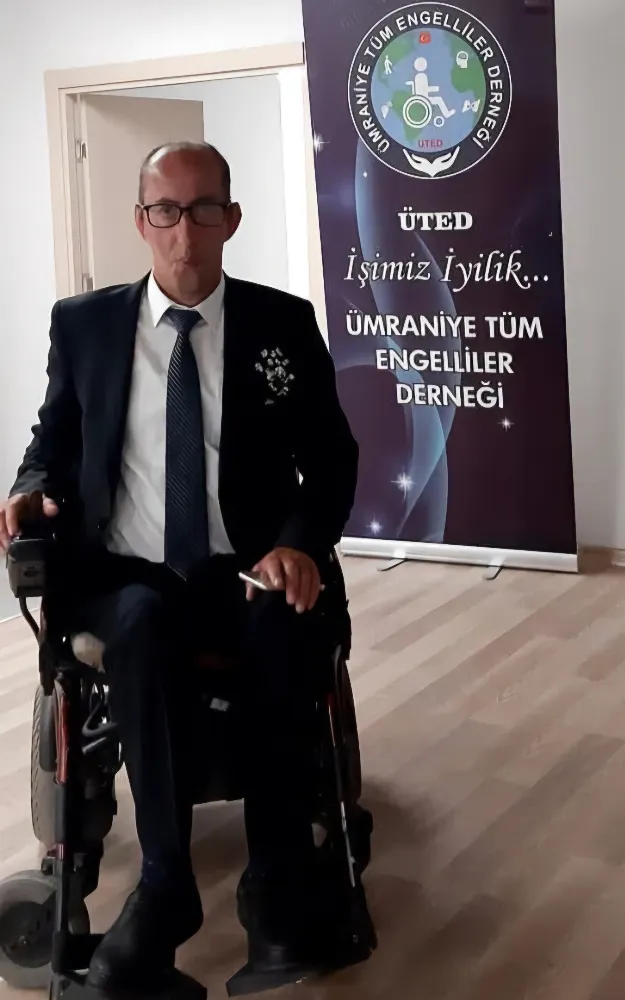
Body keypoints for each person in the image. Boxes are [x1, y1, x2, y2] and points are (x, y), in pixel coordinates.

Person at [0, 141, 359, 992]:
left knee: (283, 629)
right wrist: (28, 489)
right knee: (140, 621)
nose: (184, 231)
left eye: (203, 209)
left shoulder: (282, 323)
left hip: (247, 566)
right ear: (141, 221)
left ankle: (276, 884)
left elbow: (332, 460)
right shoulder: (84, 324)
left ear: (231, 220)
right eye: (166, 209)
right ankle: (165, 887)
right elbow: (53, 440)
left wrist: (298, 543)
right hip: (125, 571)